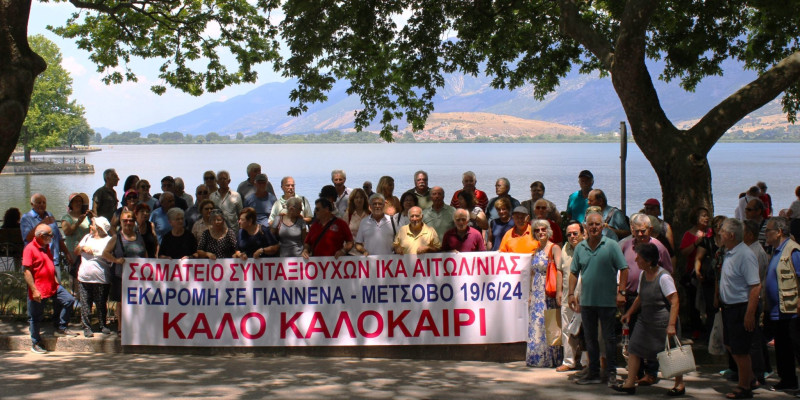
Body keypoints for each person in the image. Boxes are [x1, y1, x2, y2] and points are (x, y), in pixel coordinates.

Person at [613, 243, 684, 396]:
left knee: (672, 351)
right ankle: (630, 383)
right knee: (634, 348)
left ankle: (679, 385)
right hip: (645, 321)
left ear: (649, 260)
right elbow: (640, 297)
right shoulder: (643, 275)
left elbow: (675, 301)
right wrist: (629, 313)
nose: (636, 259)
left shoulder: (664, 277)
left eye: (639, 257)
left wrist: (672, 325)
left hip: (663, 322)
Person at [567, 211, 628, 386]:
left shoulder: (611, 245)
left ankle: (611, 373)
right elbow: (573, 272)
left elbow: (624, 269)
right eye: (591, 224)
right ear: (585, 226)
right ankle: (593, 373)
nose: (594, 227)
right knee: (590, 339)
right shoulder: (580, 247)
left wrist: (621, 292)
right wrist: (571, 294)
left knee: (609, 339)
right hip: (587, 302)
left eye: (597, 224)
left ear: (603, 227)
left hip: (608, 302)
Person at [618, 213, 673, 385]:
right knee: (636, 337)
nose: (641, 234)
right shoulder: (625, 245)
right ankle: (636, 372)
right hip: (633, 297)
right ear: (632, 230)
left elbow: (669, 271)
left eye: (644, 231)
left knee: (655, 338)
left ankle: (651, 372)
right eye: (638, 231)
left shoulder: (658, 247)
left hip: (655, 300)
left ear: (650, 229)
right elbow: (619, 269)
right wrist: (620, 292)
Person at [717, 218, 761, 400]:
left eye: (722, 231)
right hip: (729, 308)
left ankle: (744, 387)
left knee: (740, 350)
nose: (719, 234)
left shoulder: (745, 254)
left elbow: (755, 286)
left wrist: (750, 314)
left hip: (741, 307)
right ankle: (749, 378)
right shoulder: (729, 252)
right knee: (730, 344)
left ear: (731, 235)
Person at [23, 224, 78, 353]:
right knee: (35, 317)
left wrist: (55, 281)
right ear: (41, 236)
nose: (52, 237)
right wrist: (34, 289)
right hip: (39, 289)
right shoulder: (30, 249)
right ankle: (36, 343)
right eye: (50, 235)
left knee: (69, 300)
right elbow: (27, 271)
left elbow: (49, 265)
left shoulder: (46, 246)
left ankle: (61, 327)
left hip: (52, 285)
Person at [762, 217, 800, 391]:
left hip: (792, 309)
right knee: (783, 348)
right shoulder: (776, 250)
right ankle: (788, 380)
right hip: (778, 309)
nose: (765, 234)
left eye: (768, 230)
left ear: (779, 232)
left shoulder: (793, 250)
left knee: (797, 347)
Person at [526, 219, 563, 367]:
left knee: (551, 322)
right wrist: (530, 294)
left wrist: (559, 291)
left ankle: (553, 359)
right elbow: (533, 274)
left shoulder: (554, 248)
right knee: (537, 324)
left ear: (548, 231)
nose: (540, 232)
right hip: (536, 293)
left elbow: (560, 270)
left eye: (543, 229)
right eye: (537, 230)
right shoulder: (536, 251)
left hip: (549, 291)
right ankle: (538, 358)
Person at [75, 217, 115, 338]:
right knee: (85, 302)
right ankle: (86, 326)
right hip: (84, 277)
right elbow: (76, 250)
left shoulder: (109, 240)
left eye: (92, 224)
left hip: (101, 277)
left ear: (98, 227)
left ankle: (103, 324)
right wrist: (82, 248)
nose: (90, 226)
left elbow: (109, 257)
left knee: (101, 302)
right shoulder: (87, 237)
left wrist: (95, 252)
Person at [109, 209, 146, 335]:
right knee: (121, 302)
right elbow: (105, 253)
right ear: (121, 222)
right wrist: (115, 260)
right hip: (121, 275)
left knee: (138, 301)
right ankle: (121, 327)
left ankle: (136, 326)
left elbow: (144, 253)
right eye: (125, 220)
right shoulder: (116, 237)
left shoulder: (139, 237)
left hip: (139, 276)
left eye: (131, 220)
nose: (128, 223)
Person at [556, 221, 585, 373]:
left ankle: (586, 363)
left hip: (585, 297)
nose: (572, 237)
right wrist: (559, 291)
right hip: (568, 295)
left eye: (575, 233)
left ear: (582, 233)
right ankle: (569, 361)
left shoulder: (587, 247)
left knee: (585, 330)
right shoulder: (565, 248)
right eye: (569, 234)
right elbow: (560, 270)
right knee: (567, 329)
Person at [21, 193, 72, 270]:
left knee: (56, 282)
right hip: (37, 262)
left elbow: (58, 237)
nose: (42, 204)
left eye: (44, 202)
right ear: (32, 204)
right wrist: (43, 223)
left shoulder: (49, 215)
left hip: (54, 260)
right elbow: (28, 238)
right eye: (39, 202)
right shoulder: (26, 218)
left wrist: (66, 253)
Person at [61, 192, 92, 294]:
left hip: (86, 250)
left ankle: (85, 294)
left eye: (80, 201)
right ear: (71, 204)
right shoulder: (67, 217)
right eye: (76, 202)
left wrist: (93, 218)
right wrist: (78, 222)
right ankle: (74, 295)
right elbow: (67, 232)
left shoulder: (87, 217)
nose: (78, 203)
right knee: (74, 273)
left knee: (86, 273)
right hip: (73, 250)